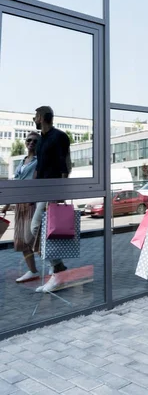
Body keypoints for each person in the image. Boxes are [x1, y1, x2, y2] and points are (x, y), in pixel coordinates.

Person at [30, 106, 71, 293]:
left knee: (38, 228)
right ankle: (57, 269)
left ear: (44, 117)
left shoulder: (59, 137)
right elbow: (39, 167)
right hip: (42, 191)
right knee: (40, 230)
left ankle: (58, 270)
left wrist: (61, 192)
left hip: (54, 191)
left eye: (36, 116)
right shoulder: (40, 140)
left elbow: (65, 165)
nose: (34, 118)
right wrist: (34, 192)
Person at [1, 132, 40, 282]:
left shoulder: (39, 160)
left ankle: (55, 266)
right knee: (22, 240)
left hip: (31, 203)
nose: (31, 143)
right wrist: (7, 204)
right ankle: (33, 271)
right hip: (19, 204)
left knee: (33, 239)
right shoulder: (22, 161)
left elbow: (38, 181)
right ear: (25, 142)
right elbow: (16, 184)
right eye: (29, 140)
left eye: (35, 141)